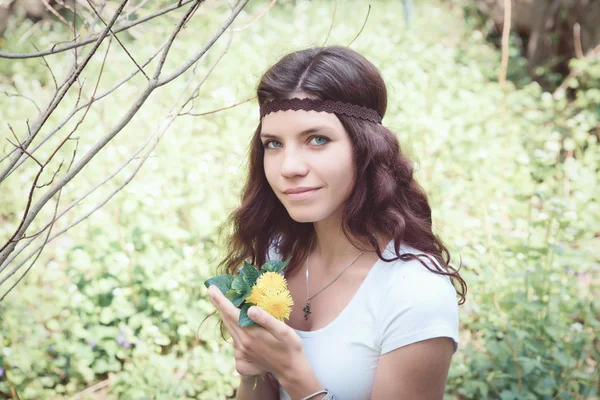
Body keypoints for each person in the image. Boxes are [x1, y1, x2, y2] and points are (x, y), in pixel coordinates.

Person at [206, 45, 467, 400]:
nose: (289, 167)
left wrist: (293, 374)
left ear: (367, 148)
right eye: (273, 144)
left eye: (317, 140)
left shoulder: (414, 292)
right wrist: (253, 369)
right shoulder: (276, 255)